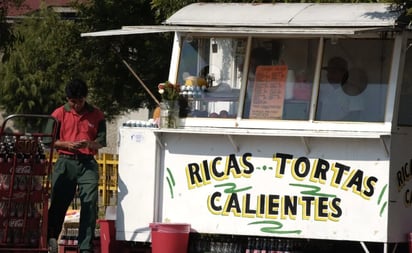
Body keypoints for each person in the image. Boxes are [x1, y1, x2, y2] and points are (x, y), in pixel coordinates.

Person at [48, 78, 107, 253]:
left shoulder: (97, 115)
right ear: (67, 99)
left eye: (79, 101)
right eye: (72, 101)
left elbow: (101, 142)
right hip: (65, 162)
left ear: (85, 98)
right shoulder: (58, 114)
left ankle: (85, 248)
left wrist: (88, 144)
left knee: (89, 204)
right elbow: (48, 141)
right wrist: (66, 145)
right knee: (58, 205)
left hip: (87, 164)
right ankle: (50, 243)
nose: (76, 105)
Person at [317, 57, 367, 121]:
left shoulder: (353, 92)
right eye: (329, 72)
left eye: (334, 72)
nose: (329, 75)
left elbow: (355, 116)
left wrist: (334, 126)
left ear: (343, 73)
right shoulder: (324, 89)